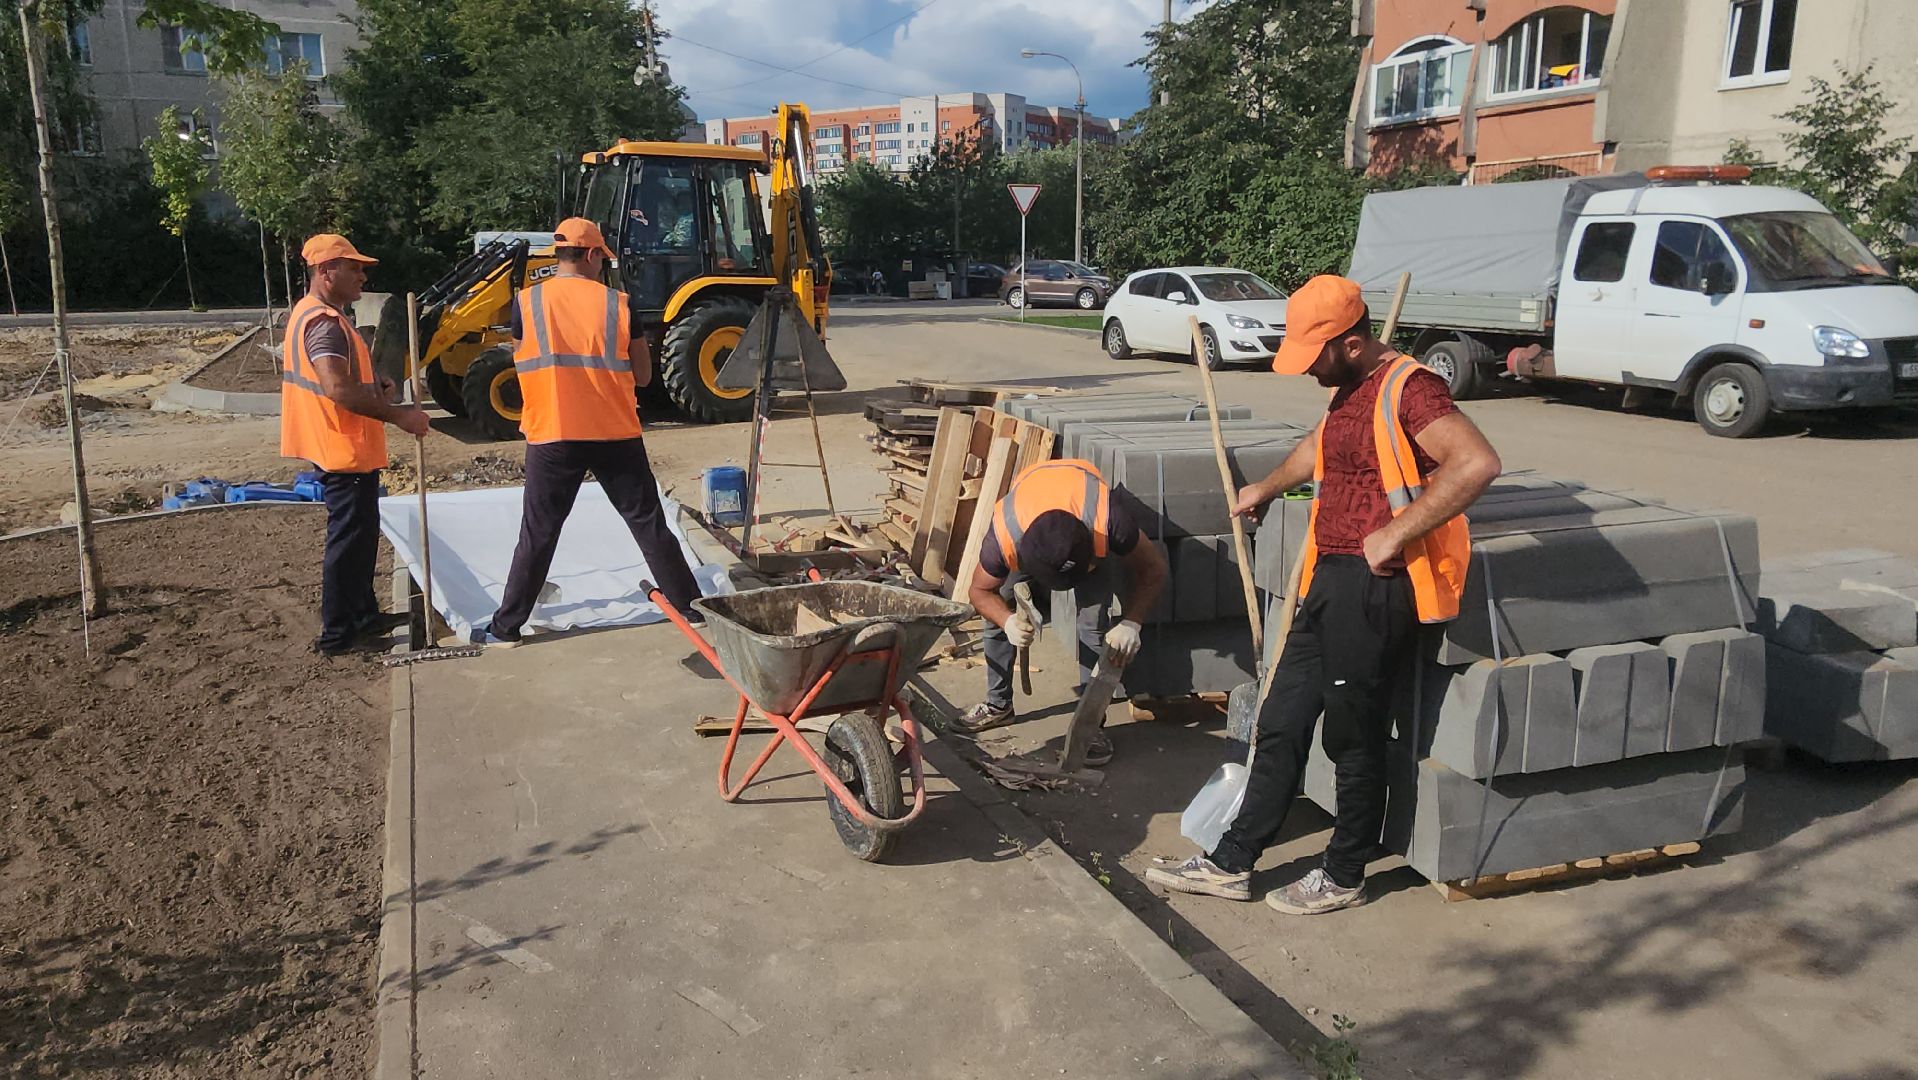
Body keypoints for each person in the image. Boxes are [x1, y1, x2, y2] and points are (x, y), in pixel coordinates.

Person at [1147, 275, 1500, 914]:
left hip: (1375, 589)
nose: (1308, 370)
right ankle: (1232, 862)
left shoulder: (1412, 389)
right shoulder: (1350, 390)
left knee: (1352, 734)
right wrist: (1268, 487)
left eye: (1316, 357)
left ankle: (1345, 873)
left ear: (1353, 342)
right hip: (1329, 579)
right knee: (1279, 721)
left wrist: (1393, 534)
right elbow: (1322, 448)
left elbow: (1476, 462)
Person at [475, 218, 701, 646]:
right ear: (593, 254)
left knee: (538, 532)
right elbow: (643, 375)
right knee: (648, 523)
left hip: (552, 432)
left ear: (560, 254)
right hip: (614, 431)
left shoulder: (526, 303)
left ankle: (505, 628)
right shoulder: (619, 304)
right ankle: (691, 606)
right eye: (603, 259)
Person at [957, 459, 1168, 766]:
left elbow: (1154, 568)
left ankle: (1091, 724)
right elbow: (978, 591)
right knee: (997, 609)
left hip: (1081, 501)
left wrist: (1132, 623)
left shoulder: (1108, 520)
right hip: (1032, 501)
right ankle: (998, 704)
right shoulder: (1005, 534)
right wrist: (1007, 621)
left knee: (1093, 627)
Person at [281, 234, 431, 657]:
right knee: (348, 541)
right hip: (340, 447)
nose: (362, 276)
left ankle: (364, 615)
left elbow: (346, 381)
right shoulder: (323, 322)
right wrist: (400, 416)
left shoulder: (321, 315)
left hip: (341, 445)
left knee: (361, 537)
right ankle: (338, 634)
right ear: (327, 271)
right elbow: (337, 388)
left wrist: (375, 386)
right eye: (354, 268)